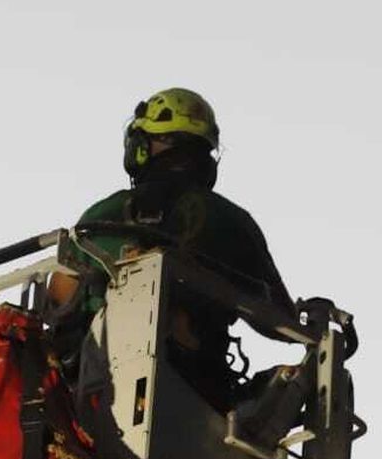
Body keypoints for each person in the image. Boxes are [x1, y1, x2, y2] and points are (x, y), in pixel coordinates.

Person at [58, 89, 293, 410]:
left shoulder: (101, 215)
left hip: (89, 389)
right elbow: (280, 320)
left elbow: (58, 297)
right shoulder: (232, 221)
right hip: (198, 392)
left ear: (140, 149)